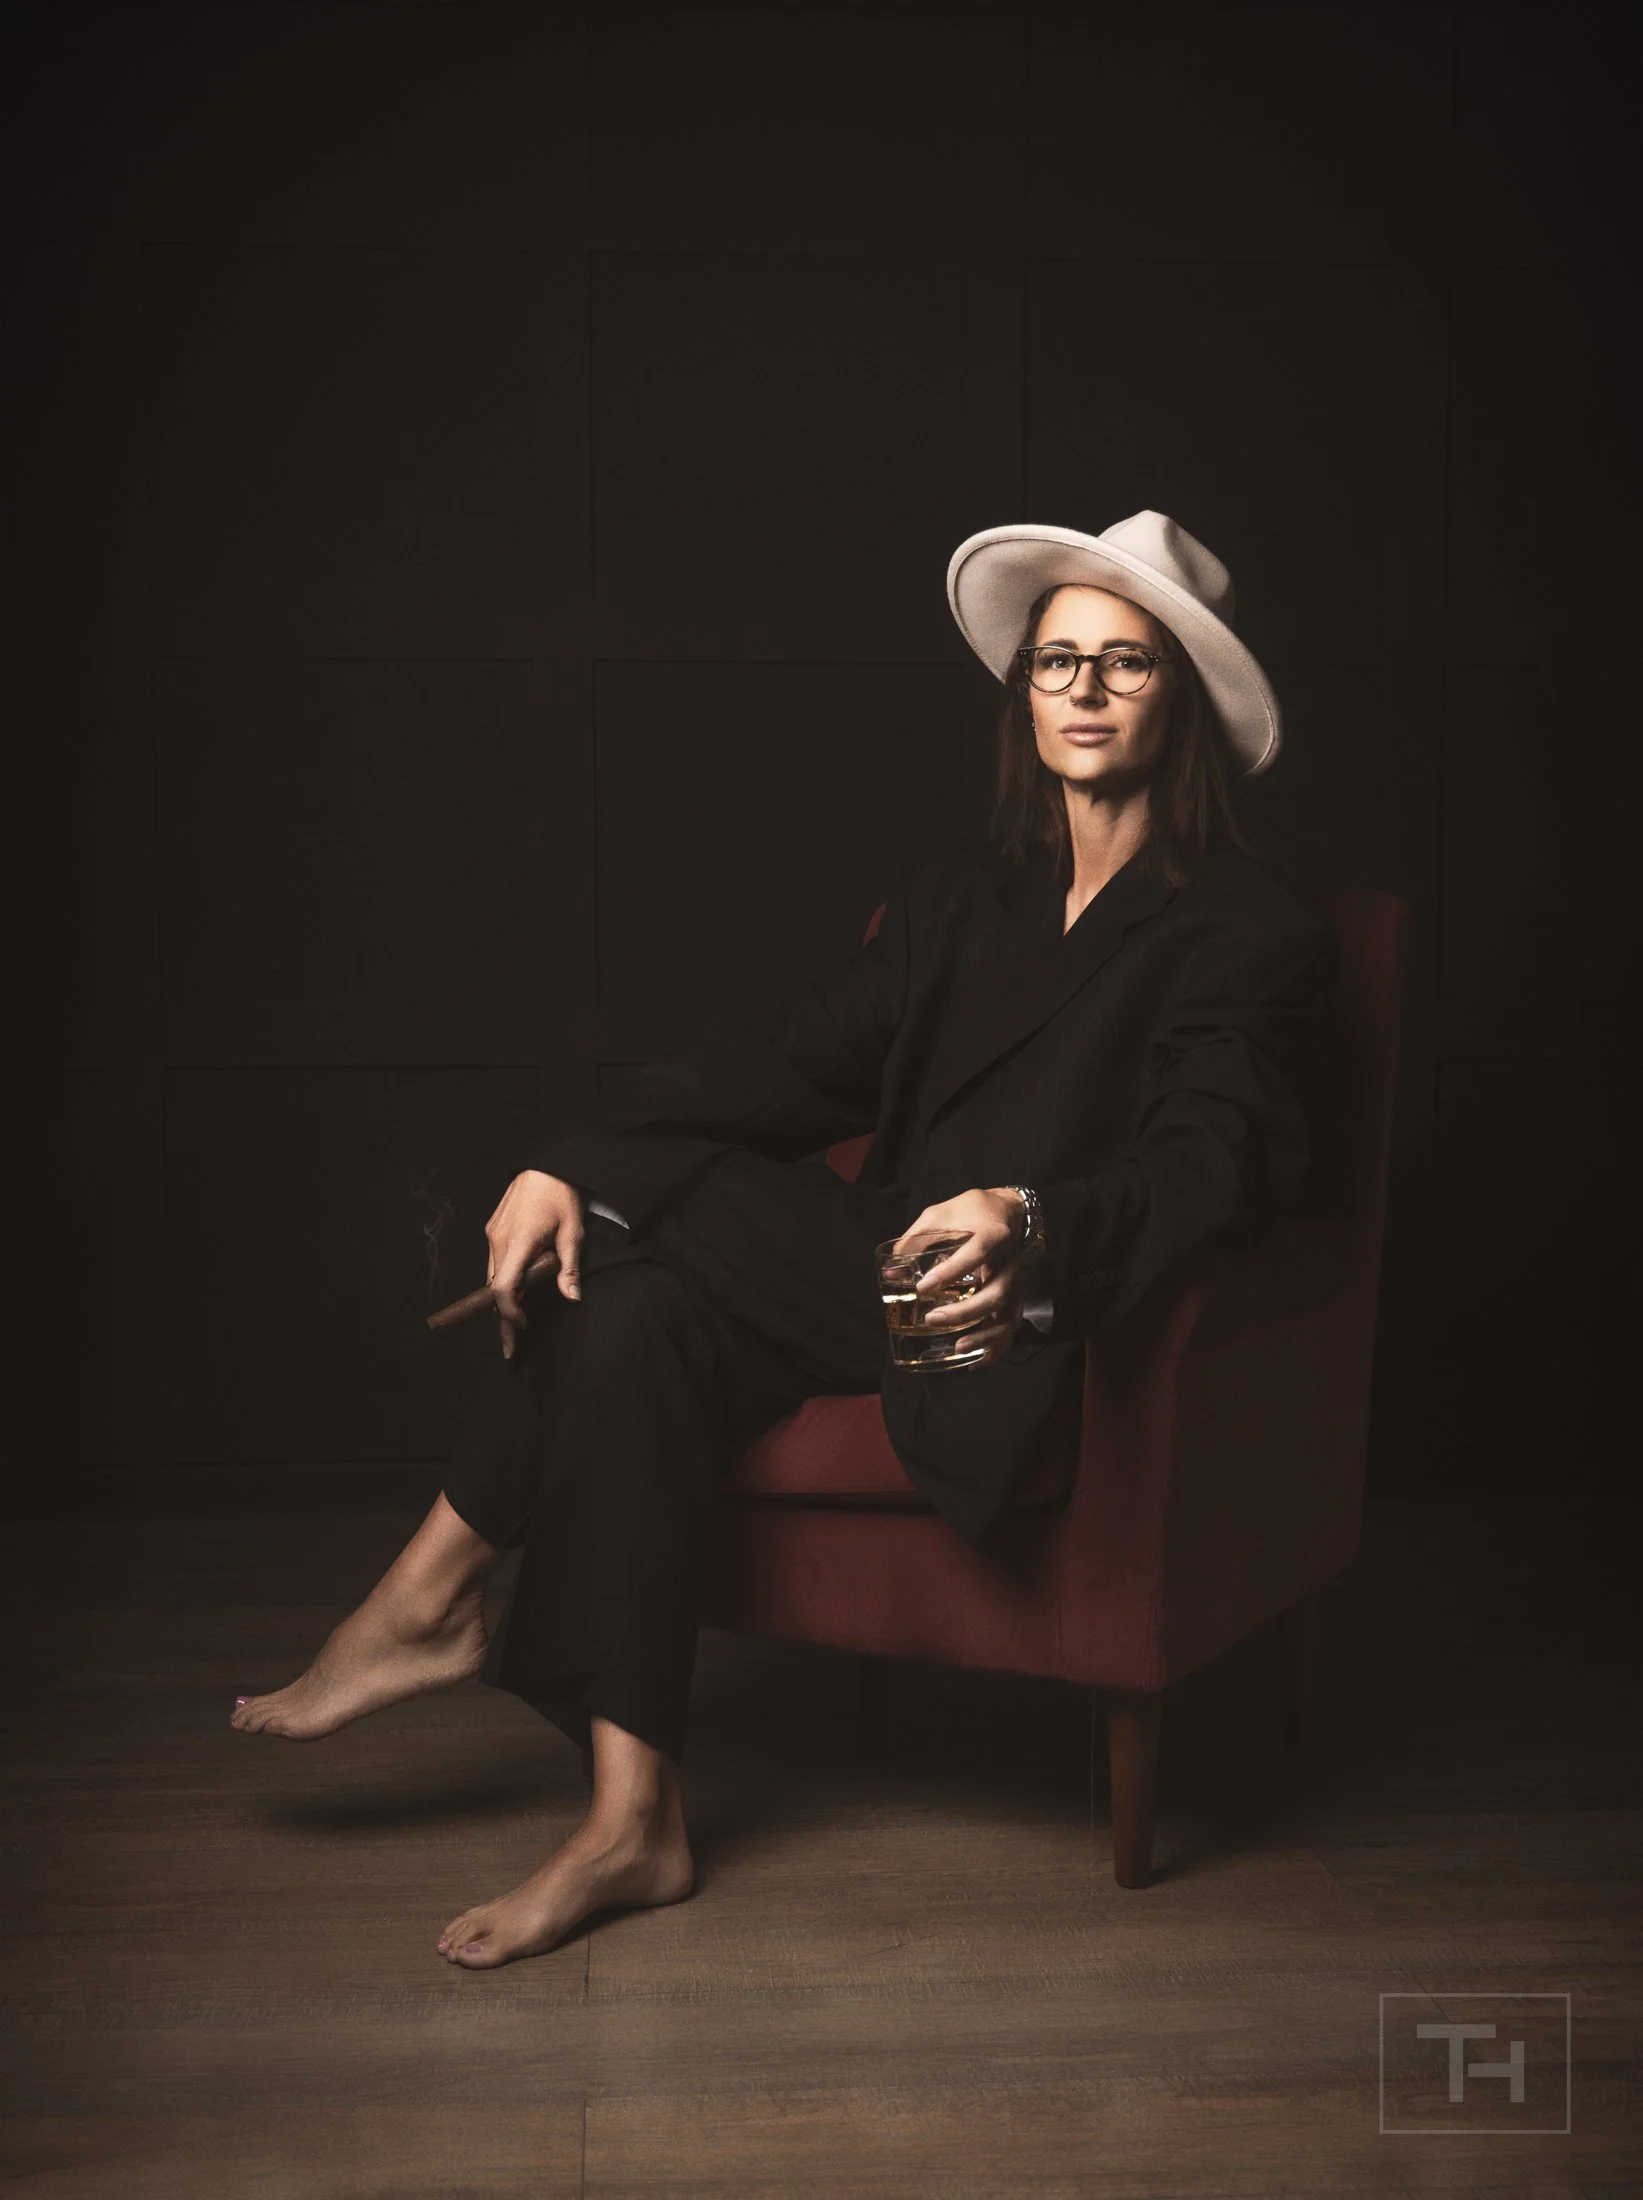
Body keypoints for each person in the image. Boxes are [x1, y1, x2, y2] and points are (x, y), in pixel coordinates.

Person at [228, 511, 1334, 1971]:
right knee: (623, 1314)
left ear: (1178, 697)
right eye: (1055, 660)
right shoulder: (956, 900)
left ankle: (430, 1589)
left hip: (1013, 1323)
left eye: (1123, 663)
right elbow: (787, 1060)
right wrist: (567, 1158)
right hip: (854, 1282)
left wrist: (1033, 1222)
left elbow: (1213, 1164)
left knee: (651, 1221)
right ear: (1023, 691)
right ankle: (633, 1821)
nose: (1081, 688)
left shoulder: (1246, 929)